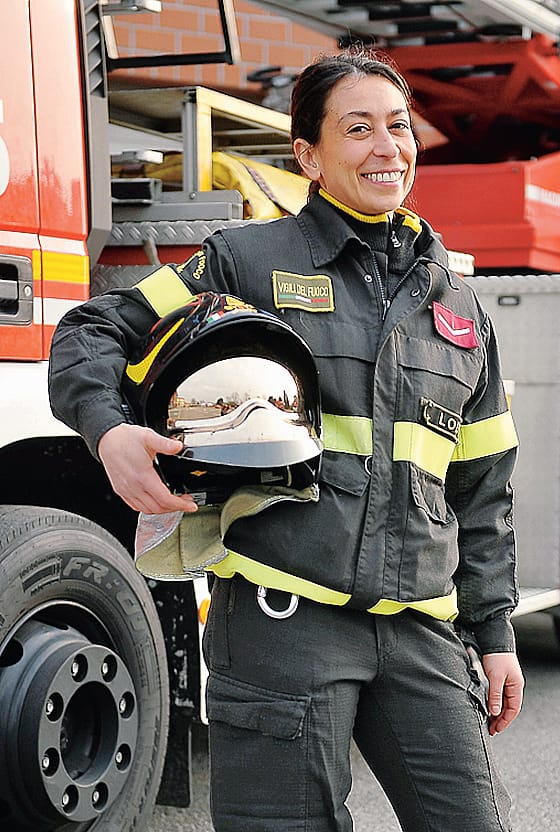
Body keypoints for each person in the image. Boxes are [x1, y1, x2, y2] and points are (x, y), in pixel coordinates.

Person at [49, 48, 523, 832]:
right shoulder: (247, 262)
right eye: (358, 129)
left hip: (422, 632)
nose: (387, 147)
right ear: (308, 156)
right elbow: (94, 327)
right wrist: (110, 431)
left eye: (398, 127)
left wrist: (494, 632)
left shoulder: (459, 308)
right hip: (284, 623)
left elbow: (482, 488)